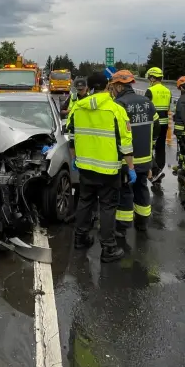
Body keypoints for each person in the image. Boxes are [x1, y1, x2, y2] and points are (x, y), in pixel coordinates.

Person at [68, 72, 135, 263]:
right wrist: (130, 168)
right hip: (109, 170)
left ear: (88, 87)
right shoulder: (116, 110)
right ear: (107, 86)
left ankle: (80, 239)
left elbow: (71, 139)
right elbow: (126, 144)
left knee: (85, 202)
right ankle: (108, 248)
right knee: (107, 207)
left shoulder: (77, 109)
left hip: (85, 167)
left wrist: (75, 159)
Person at [107, 70, 160, 234]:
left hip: (126, 159)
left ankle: (122, 227)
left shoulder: (119, 104)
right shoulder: (147, 102)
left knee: (125, 191)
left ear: (118, 85)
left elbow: (114, 133)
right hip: (145, 158)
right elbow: (156, 127)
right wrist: (149, 145)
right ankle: (142, 223)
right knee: (142, 188)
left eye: (113, 86)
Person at [143, 67, 171, 191]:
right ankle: (159, 169)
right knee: (160, 148)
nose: (149, 80)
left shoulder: (150, 90)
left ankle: (155, 172)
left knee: (149, 147)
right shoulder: (168, 91)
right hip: (165, 124)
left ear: (153, 78)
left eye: (150, 78)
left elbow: (145, 107)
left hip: (153, 124)